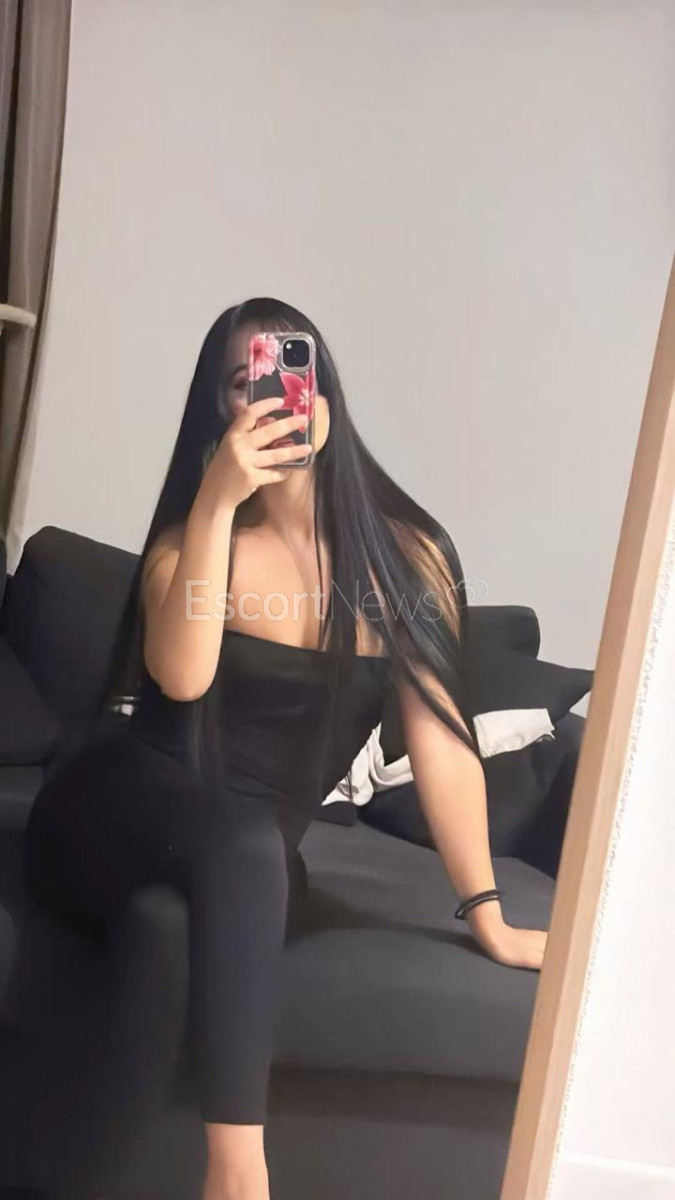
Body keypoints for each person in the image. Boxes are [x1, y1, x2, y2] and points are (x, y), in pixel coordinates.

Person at [22, 297, 547, 1200]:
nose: (274, 398)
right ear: (218, 411)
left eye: (293, 374)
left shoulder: (408, 559)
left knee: (169, 927)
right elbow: (181, 677)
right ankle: (239, 1179)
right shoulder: (191, 542)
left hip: (246, 860)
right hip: (114, 808)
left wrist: (487, 914)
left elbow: (441, 739)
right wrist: (219, 500)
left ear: (326, 397)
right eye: (245, 383)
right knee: (241, 845)